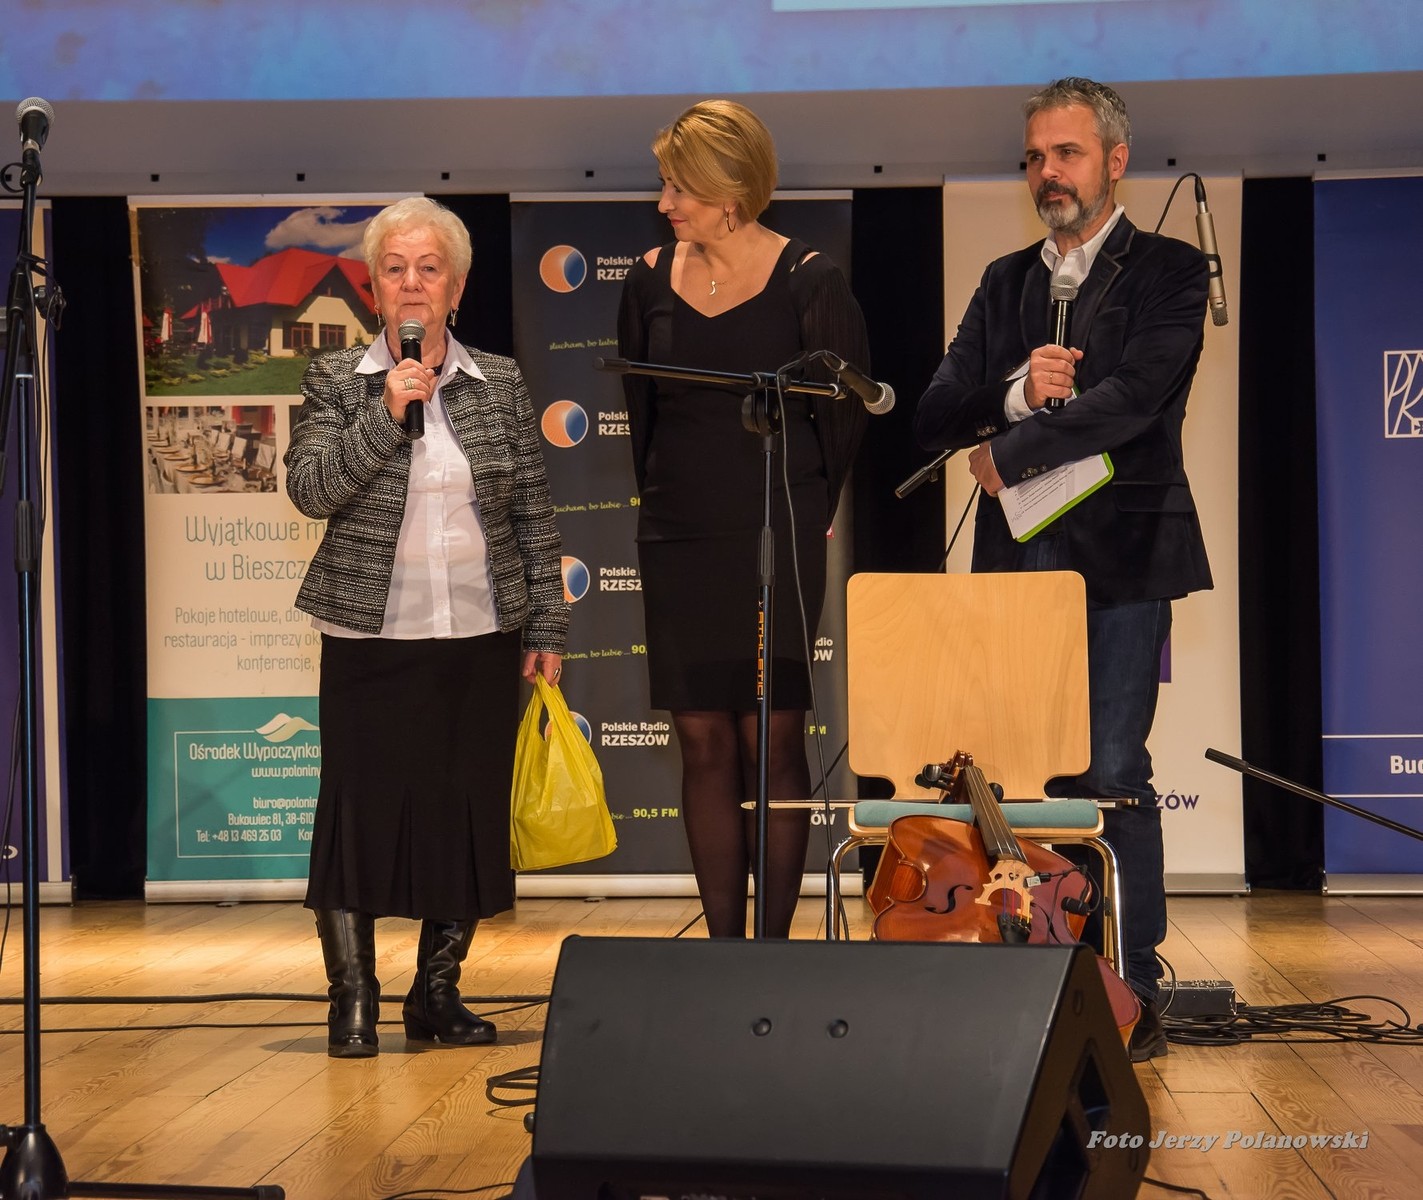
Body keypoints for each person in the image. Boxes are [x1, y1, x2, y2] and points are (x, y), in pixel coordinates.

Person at [914, 78, 1213, 1061]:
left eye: (1067, 154)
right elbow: (936, 412)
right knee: (1018, 774)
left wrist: (1011, 449)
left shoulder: (1169, 269)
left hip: (1124, 559)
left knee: (1113, 772)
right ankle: (1038, 972)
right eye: (1035, 156)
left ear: (1114, 161)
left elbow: (1135, 397)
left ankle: (1133, 984)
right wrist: (1011, 394)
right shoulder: (1003, 279)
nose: (1048, 172)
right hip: (1016, 566)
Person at [286, 196, 568, 1058]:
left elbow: (532, 511)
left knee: (464, 813)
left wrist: (545, 625)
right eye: (394, 269)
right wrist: (386, 412)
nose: (412, 283)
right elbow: (311, 490)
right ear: (373, 288)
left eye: (429, 268)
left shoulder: (499, 382)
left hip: (480, 633)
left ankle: (435, 996)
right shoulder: (338, 378)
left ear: (457, 286)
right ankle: (353, 999)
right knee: (357, 818)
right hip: (370, 639)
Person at [617, 99, 869, 939]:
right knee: (703, 741)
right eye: (663, 184)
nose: (664, 203)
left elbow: (842, 425)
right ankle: (725, 952)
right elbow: (642, 420)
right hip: (678, 536)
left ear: (731, 193)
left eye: (678, 187)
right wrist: (666, 505)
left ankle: (772, 952)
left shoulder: (809, 279)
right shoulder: (646, 278)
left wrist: (806, 511)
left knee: (772, 740)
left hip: (776, 532)